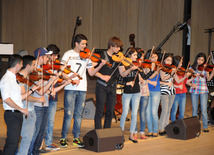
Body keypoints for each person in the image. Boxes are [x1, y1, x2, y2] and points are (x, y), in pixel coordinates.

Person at [60, 34, 109, 147]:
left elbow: (91, 73)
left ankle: (76, 138)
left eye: (86, 44)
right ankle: (63, 138)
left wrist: (100, 65)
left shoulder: (87, 56)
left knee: (79, 114)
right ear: (76, 43)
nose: (85, 46)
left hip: (82, 89)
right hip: (70, 88)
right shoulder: (68, 54)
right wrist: (70, 78)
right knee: (68, 114)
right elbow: (61, 70)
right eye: (83, 43)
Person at [29, 47, 70, 155]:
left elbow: (48, 90)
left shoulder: (44, 70)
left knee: (41, 131)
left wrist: (60, 79)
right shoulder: (34, 71)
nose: (49, 59)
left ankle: (36, 150)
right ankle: (30, 151)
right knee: (35, 132)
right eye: (47, 57)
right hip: (37, 105)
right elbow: (41, 91)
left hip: (45, 104)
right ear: (41, 57)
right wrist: (52, 80)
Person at [119, 47, 155, 143]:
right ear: (129, 55)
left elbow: (145, 77)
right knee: (125, 113)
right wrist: (130, 69)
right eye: (134, 55)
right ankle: (120, 134)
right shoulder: (123, 64)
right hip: (127, 92)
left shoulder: (137, 66)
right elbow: (121, 77)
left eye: (136, 55)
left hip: (137, 92)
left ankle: (131, 135)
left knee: (135, 114)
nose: (136, 57)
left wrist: (152, 70)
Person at [17, 55, 46, 155]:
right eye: (34, 64)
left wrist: (37, 85)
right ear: (28, 66)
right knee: (26, 138)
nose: (35, 66)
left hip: (31, 110)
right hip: (25, 112)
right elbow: (25, 96)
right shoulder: (19, 78)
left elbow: (36, 91)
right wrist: (38, 99)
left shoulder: (28, 78)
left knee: (29, 138)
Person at [0, 54, 29, 155]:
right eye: (21, 64)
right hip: (12, 114)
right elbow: (6, 99)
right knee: (12, 143)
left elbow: (18, 98)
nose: (22, 66)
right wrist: (21, 109)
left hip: (16, 114)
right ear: (17, 65)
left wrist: (32, 90)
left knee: (13, 142)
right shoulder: (6, 79)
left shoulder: (14, 78)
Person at [94, 36, 123, 129]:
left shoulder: (119, 58)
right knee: (100, 110)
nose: (119, 49)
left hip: (112, 86)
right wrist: (102, 76)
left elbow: (122, 73)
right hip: (101, 86)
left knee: (110, 111)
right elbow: (91, 70)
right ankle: (98, 131)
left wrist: (130, 68)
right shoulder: (101, 56)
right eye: (117, 47)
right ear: (111, 46)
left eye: (119, 47)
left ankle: (107, 131)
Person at [188, 53, 214, 133]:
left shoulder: (205, 68)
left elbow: (209, 78)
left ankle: (205, 126)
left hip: (203, 90)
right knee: (194, 109)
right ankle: (194, 126)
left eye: (202, 60)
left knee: (204, 109)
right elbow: (187, 81)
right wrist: (192, 84)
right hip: (194, 90)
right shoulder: (192, 68)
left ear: (204, 61)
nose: (200, 61)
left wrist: (213, 73)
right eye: (199, 59)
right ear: (196, 59)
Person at [158, 53, 176, 136]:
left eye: (171, 60)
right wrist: (171, 74)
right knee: (165, 110)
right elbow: (163, 78)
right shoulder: (162, 68)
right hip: (164, 91)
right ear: (164, 59)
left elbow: (174, 80)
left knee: (168, 110)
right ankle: (161, 128)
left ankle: (166, 127)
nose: (169, 62)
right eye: (168, 60)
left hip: (172, 91)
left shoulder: (171, 69)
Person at [145, 50, 162, 137]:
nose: (155, 59)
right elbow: (147, 77)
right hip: (147, 90)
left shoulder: (158, 66)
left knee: (154, 111)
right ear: (149, 58)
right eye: (152, 57)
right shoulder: (146, 67)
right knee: (148, 111)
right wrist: (156, 71)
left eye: (156, 57)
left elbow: (163, 77)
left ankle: (155, 130)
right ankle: (150, 131)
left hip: (156, 91)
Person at [170, 55, 192, 122]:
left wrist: (193, 78)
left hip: (183, 93)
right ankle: (173, 125)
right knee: (174, 110)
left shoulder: (182, 71)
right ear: (176, 63)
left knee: (182, 111)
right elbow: (178, 80)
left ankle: (180, 125)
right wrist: (185, 76)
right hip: (176, 93)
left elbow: (186, 82)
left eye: (182, 63)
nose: (181, 64)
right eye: (180, 63)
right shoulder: (174, 71)